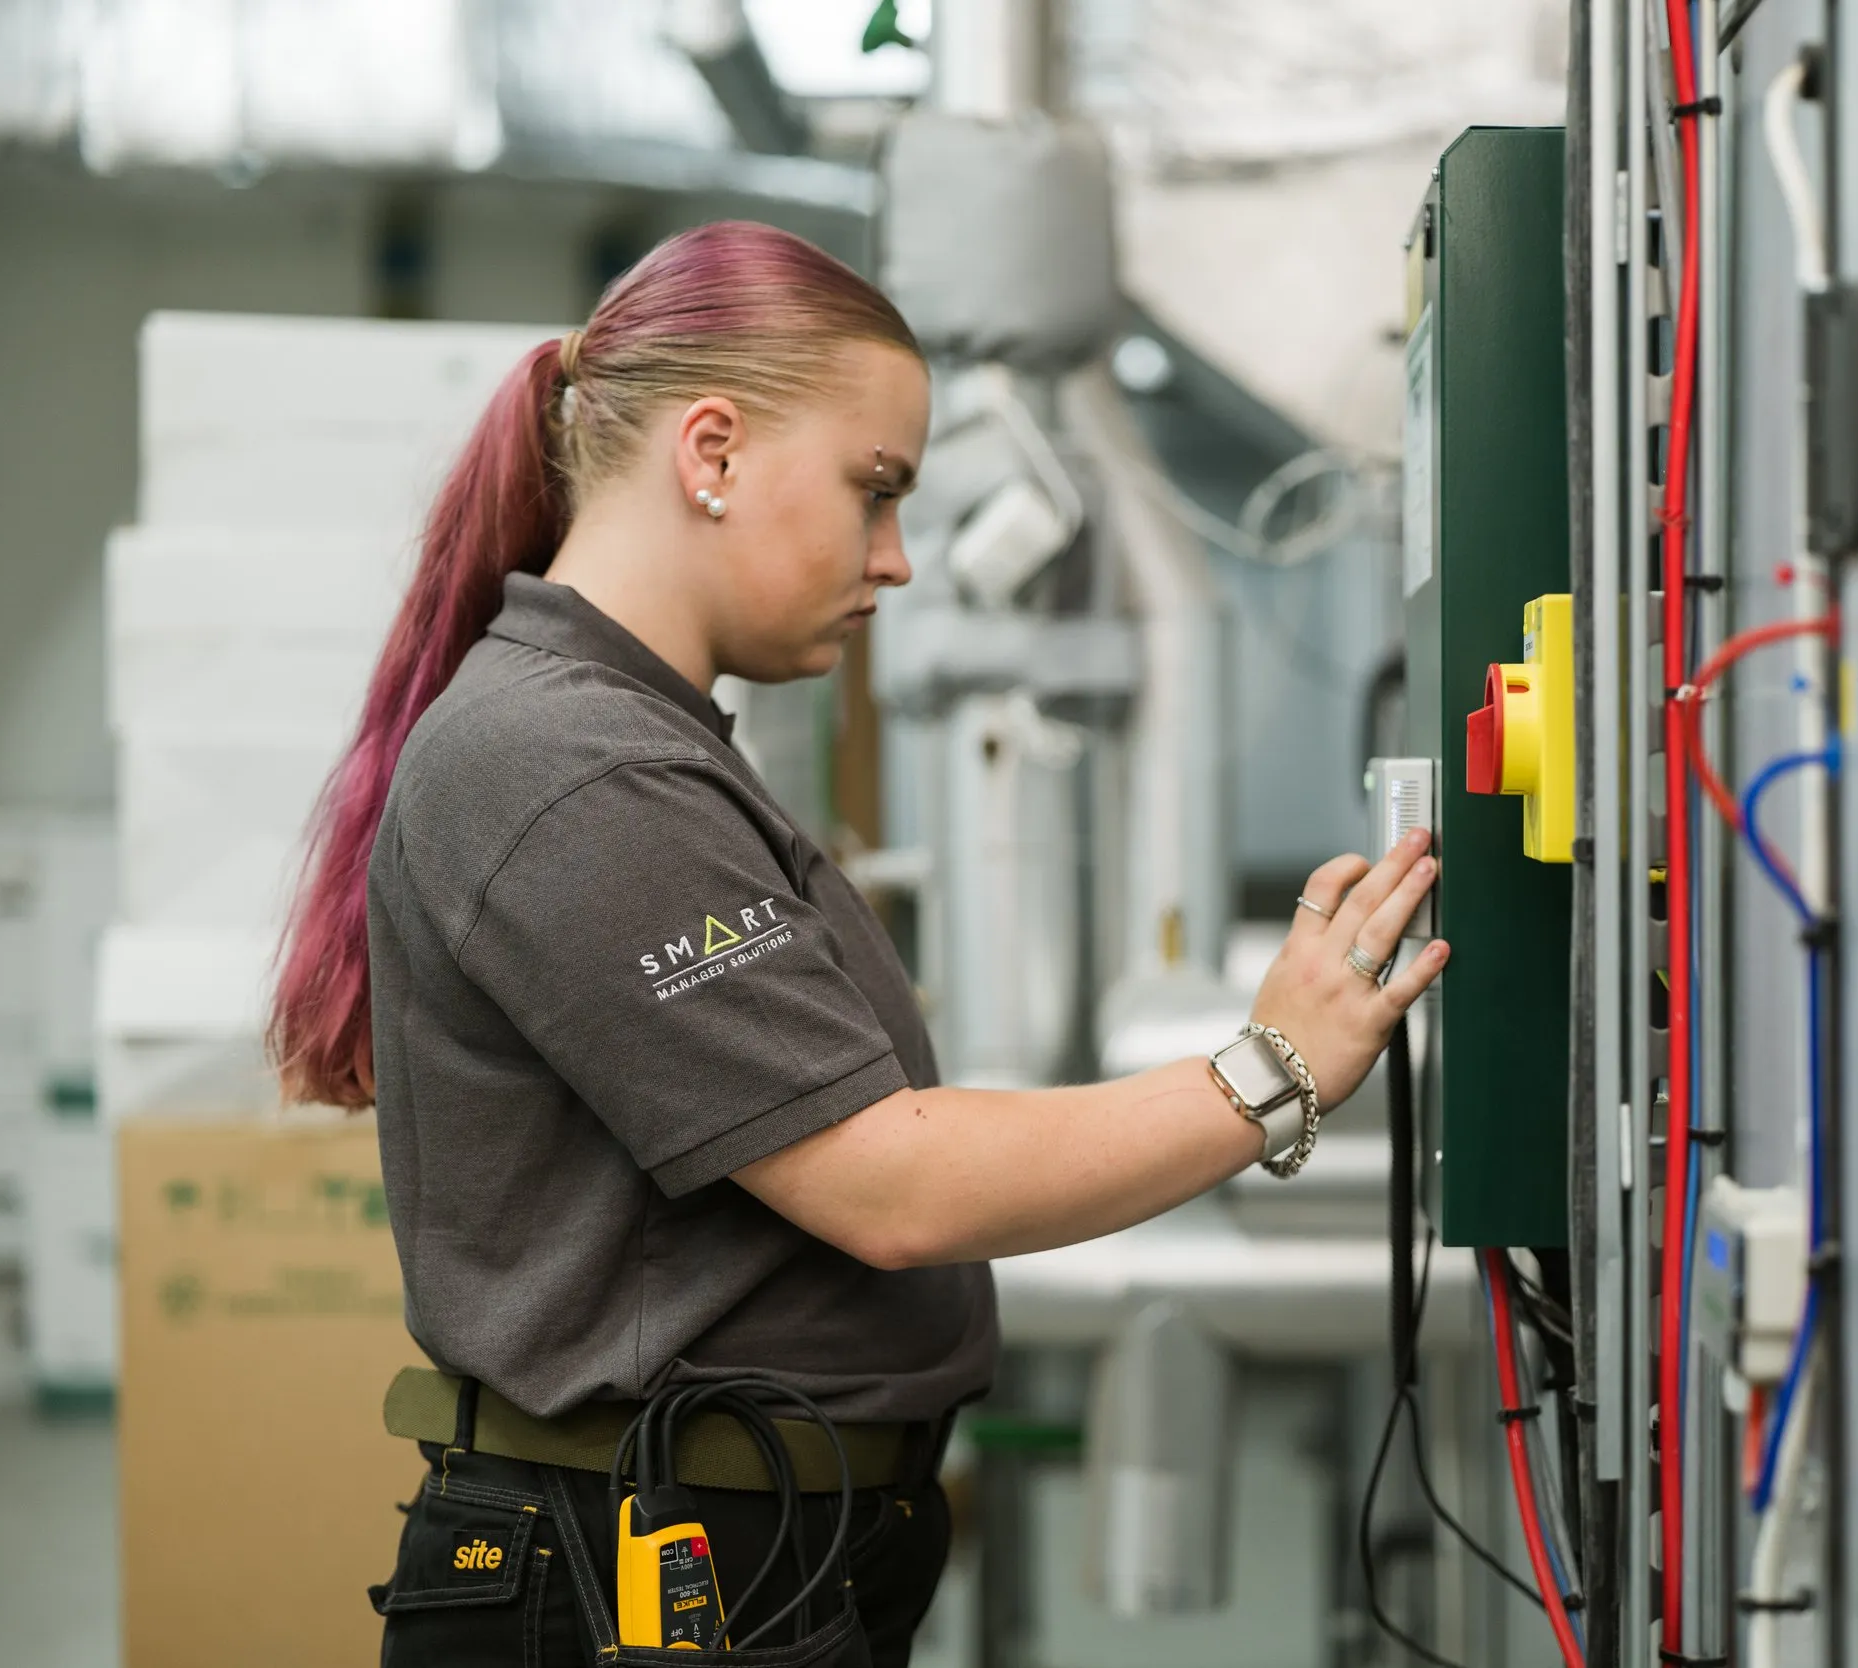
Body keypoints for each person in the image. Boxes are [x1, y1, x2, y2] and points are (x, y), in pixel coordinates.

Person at [269, 220, 1448, 1667]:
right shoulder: (577, 768)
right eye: (873, 490)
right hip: (626, 1582)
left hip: (726, 1554)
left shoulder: (635, 742)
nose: (894, 561)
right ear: (712, 451)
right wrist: (1272, 1072)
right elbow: (891, 1183)